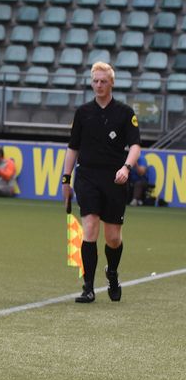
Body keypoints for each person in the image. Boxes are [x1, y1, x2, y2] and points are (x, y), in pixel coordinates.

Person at [62, 62, 141, 303]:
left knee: (113, 238)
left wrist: (126, 168)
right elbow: (72, 148)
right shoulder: (83, 112)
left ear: (111, 83)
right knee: (89, 227)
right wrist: (66, 179)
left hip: (114, 179)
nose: (98, 85)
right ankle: (88, 287)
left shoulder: (125, 113)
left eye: (103, 81)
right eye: (95, 81)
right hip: (87, 177)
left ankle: (113, 274)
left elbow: (136, 146)